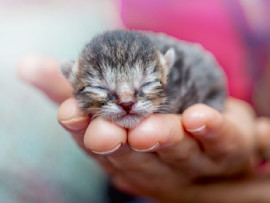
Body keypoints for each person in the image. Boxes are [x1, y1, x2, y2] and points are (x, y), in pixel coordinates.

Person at [18, 0, 270, 202]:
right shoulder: (153, 11)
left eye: (145, 86)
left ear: (166, 71)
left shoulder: (191, 69)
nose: (127, 101)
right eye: (101, 88)